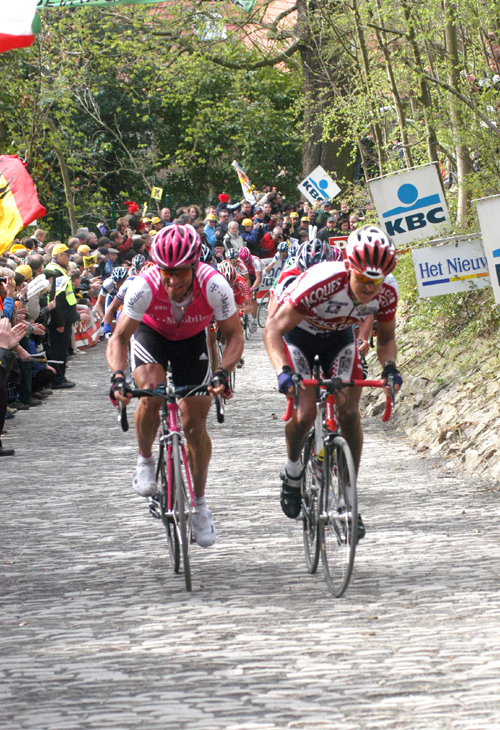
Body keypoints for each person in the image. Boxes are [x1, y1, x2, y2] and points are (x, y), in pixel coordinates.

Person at [107, 224, 244, 548]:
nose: (171, 280)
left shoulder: (214, 285)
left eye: (179, 273)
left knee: (195, 426)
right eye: (166, 271)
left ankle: (199, 504)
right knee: (151, 392)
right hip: (151, 337)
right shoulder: (144, 285)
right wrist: (117, 376)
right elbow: (120, 337)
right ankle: (145, 460)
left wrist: (223, 372)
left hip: (191, 340)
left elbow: (234, 335)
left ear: (194, 267)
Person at [263, 226, 402, 534]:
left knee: (350, 413)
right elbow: (272, 328)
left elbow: (387, 338)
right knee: (306, 412)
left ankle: (350, 500)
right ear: (349, 267)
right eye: (363, 280)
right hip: (299, 336)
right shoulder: (323, 280)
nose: (369, 289)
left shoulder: (388, 290)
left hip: (339, 338)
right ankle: (293, 470)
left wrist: (390, 367)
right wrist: (282, 372)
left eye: (375, 282)